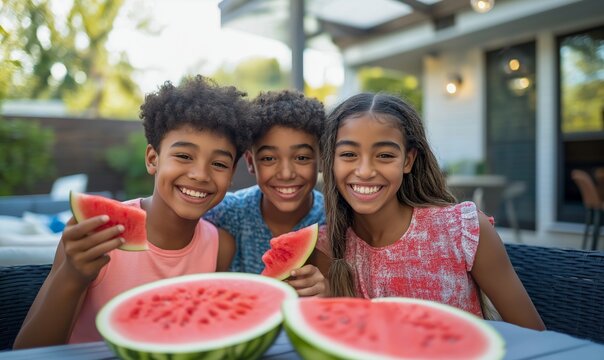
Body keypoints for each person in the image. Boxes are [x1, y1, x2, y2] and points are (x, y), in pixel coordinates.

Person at [14, 75, 252, 348]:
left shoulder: (221, 246)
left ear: (232, 173)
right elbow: (26, 351)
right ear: (153, 159)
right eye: (184, 156)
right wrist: (72, 274)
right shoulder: (97, 232)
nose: (200, 175)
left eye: (219, 164)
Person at [314, 92, 545, 331]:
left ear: (408, 160)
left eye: (385, 155)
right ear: (332, 161)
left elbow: (535, 337)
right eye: (349, 155)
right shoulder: (325, 246)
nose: (365, 171)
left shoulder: (464, 230)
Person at [204, 90, 327, 297]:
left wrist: (330, 288)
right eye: (269, 158)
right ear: (251, 163)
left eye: (302, 158)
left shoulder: (333, 218)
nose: (286, 173)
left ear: (321, 159)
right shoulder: (228, 212)